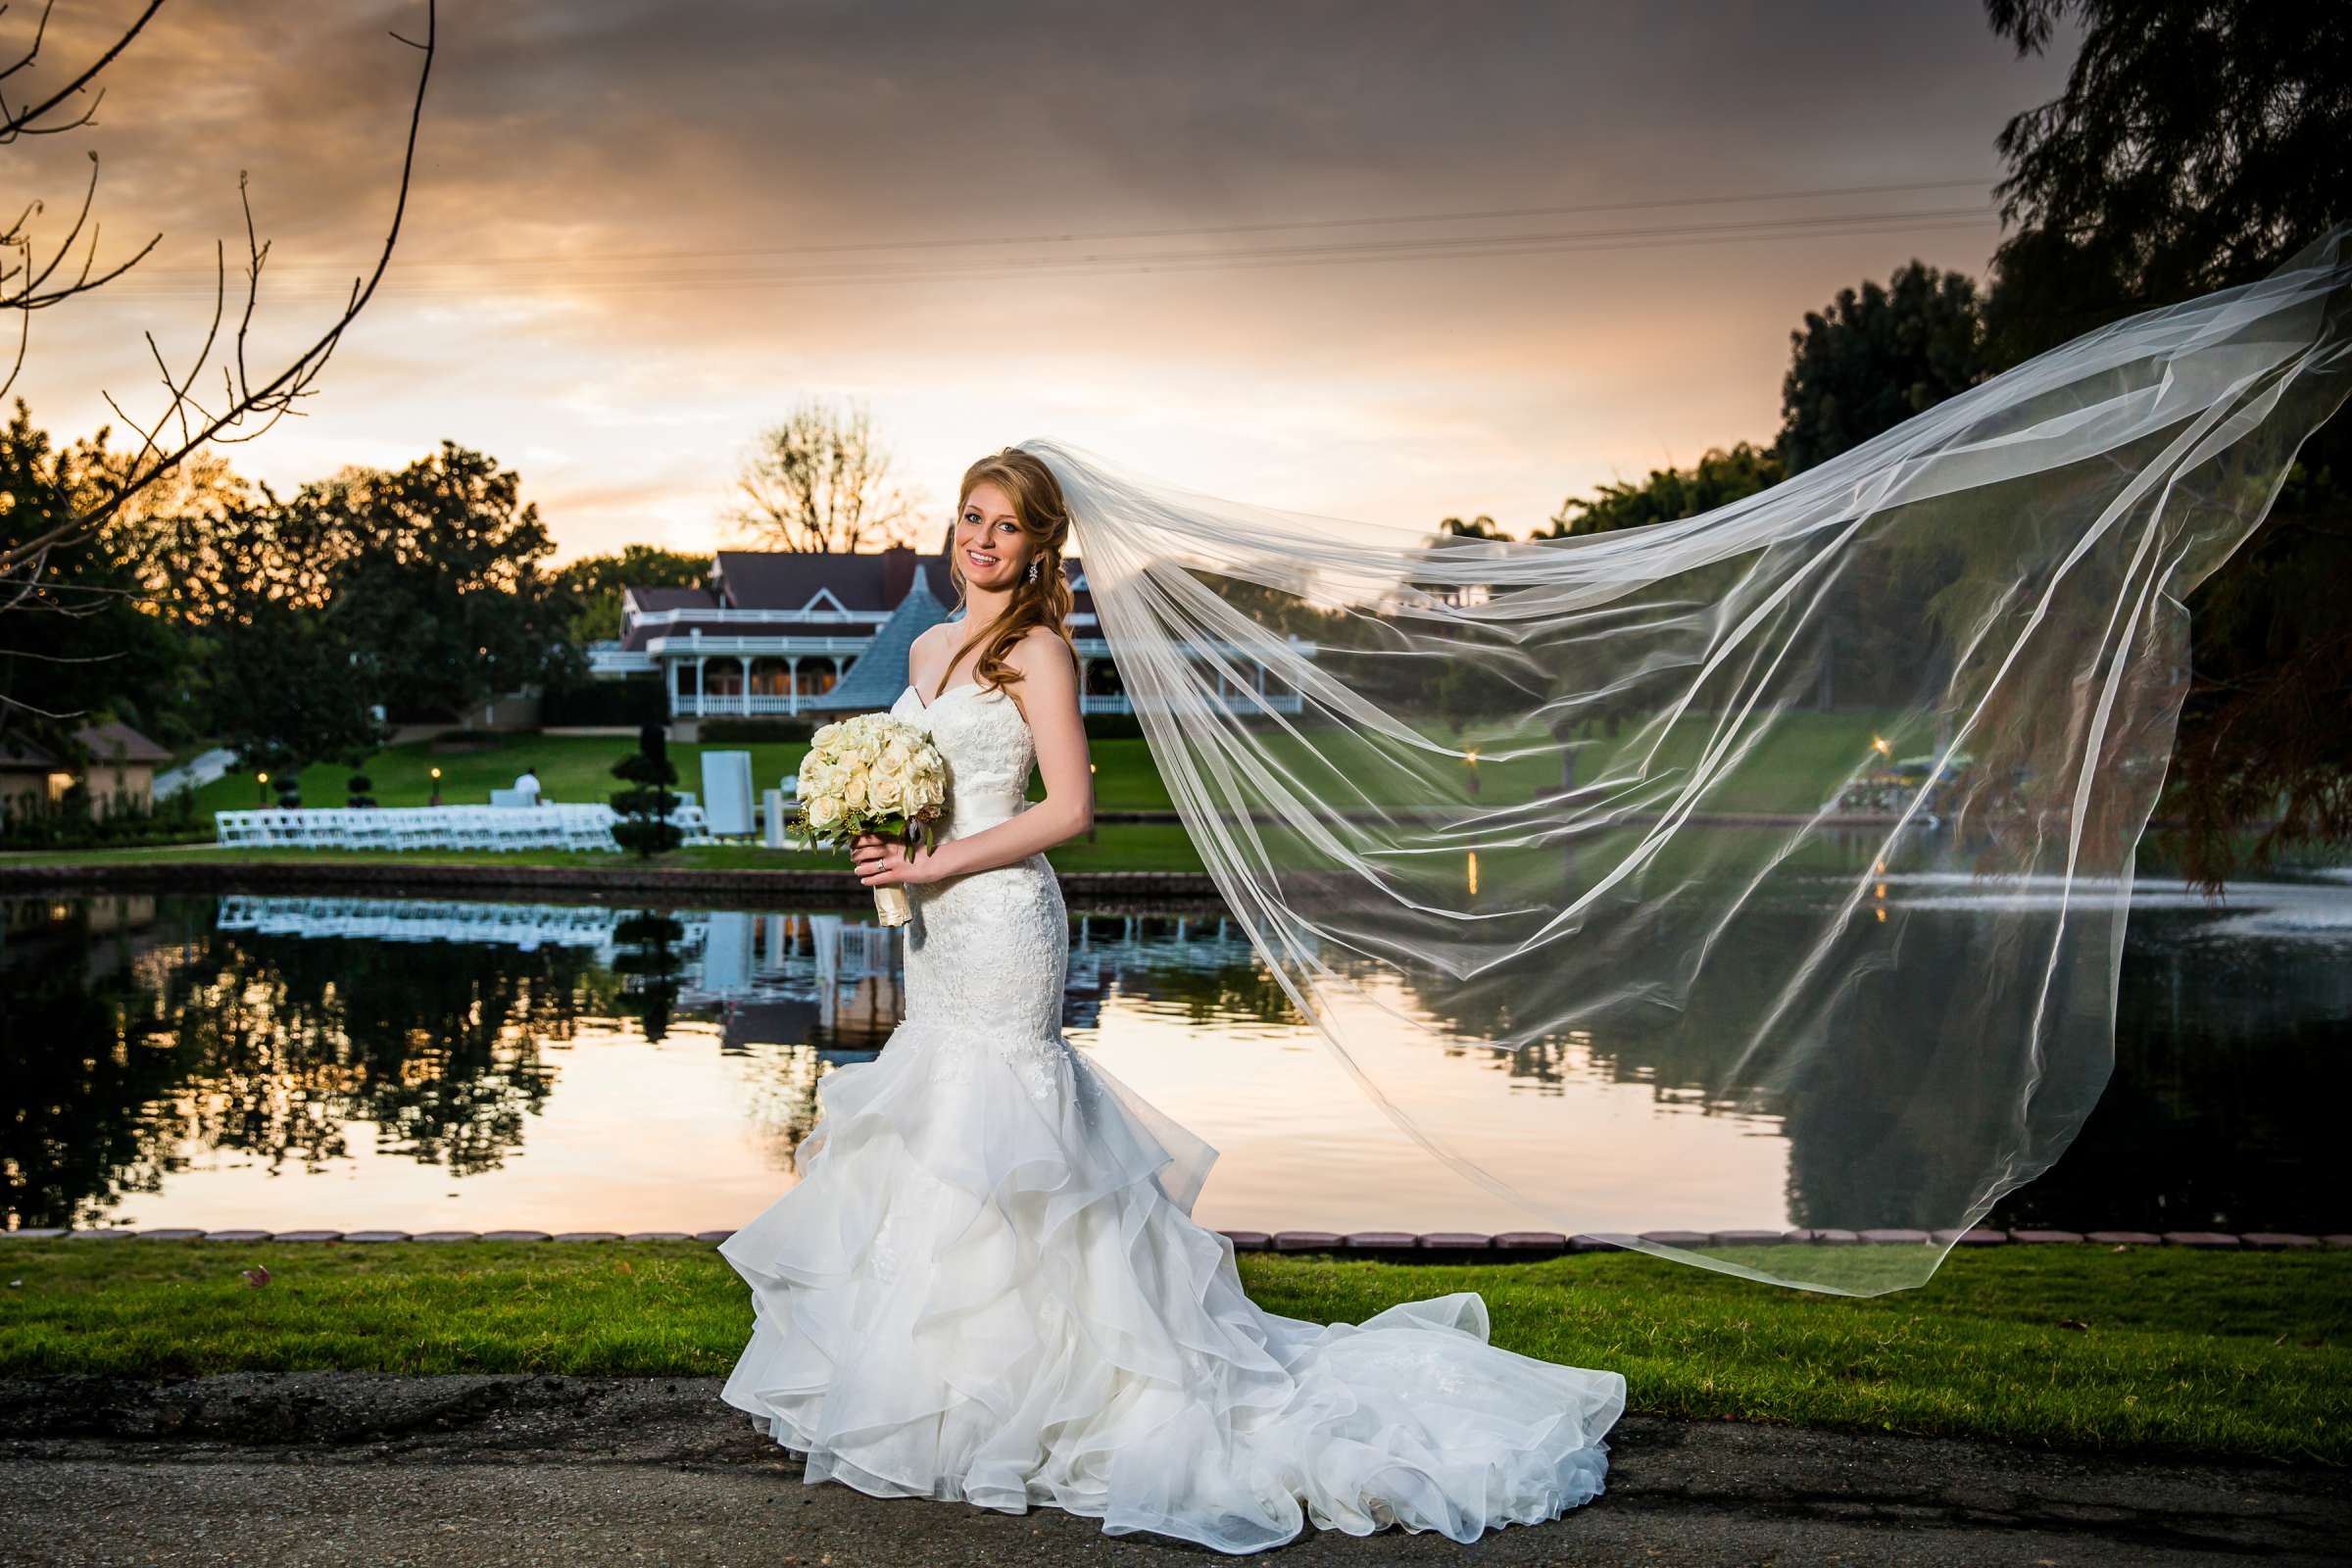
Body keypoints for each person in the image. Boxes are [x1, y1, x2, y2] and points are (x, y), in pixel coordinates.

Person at [716, 449, 1625, 1553]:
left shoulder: (1039, 650)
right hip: (941, 929)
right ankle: (947, 1385)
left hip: (1002, 921)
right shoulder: (923, 645)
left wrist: (940, 865)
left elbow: (1069, 810)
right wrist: (895, 841)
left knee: (1007, 1119)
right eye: (970, 518)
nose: (982, 540)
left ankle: (1063, 1388)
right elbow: (936, 791)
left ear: (1040, 543)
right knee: (937, 1126)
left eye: (1006, 526)